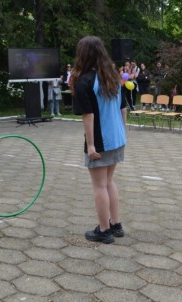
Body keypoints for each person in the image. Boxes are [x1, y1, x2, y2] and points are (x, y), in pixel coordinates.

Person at [71, 36, 127, 244]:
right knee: (109, 182)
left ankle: (104, 230)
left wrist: (91, 144)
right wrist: (123, 132)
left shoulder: (85, 80)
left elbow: (88, 116)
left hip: (101, 142)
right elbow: (123, 108)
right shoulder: (113, 76)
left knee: (99, 186)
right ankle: (116, 224)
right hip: (117, 138)